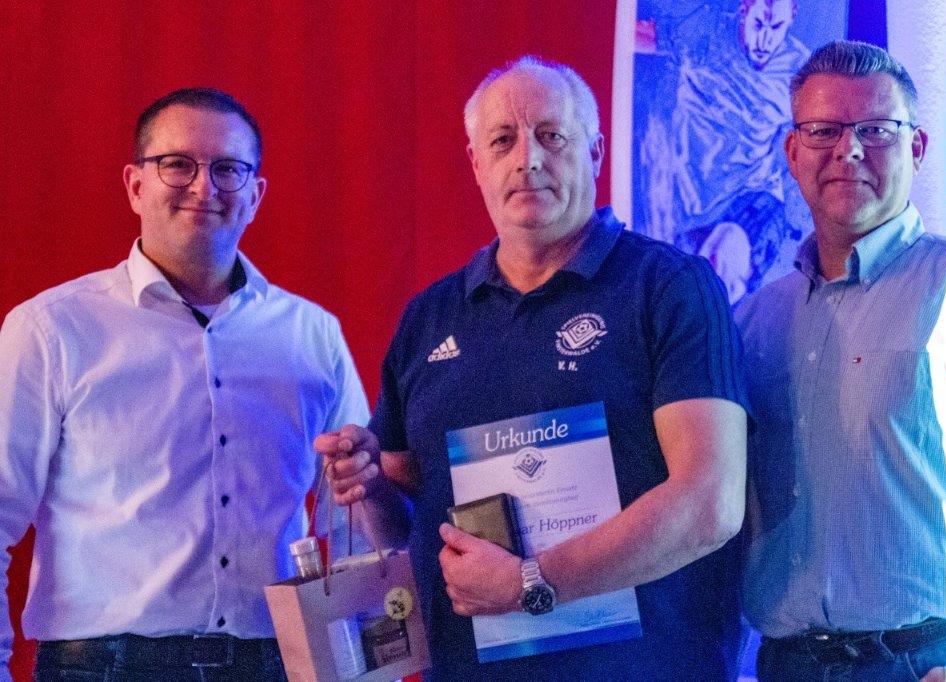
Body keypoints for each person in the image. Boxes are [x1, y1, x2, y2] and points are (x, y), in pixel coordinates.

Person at [316, 56, 749, 680]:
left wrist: (530, 581)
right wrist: (369, 484)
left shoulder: (671, 288)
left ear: (595, 152)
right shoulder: (428, 319)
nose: (528, 160)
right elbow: (408, 528)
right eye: (503, 141)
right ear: (476, 163)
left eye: (552, 136)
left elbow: (709, 503)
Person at [0, 88, 369, 681]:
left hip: (272, 662)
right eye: (177, 164)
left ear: (255, 195)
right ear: (135, 185)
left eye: (227, 169)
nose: (204, 187)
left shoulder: (312, 335)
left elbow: (355, 524)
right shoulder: (52, 329)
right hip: (103, 667)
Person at [737, 40, 946, 681]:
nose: (849, 150)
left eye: (876, 129)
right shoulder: (753, 322)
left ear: (916, 147)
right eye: (824, 130)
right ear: (792, 152)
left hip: (937, 661)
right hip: (788, 664)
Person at [637, 0, 808, 294]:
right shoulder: (706, 31)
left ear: (792, 17)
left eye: (776, 27)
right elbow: (631, 39)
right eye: (758, 24)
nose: (764, 40)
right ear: (744, 9)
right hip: (689, 200)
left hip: (749, 199)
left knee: (719, 274)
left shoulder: (802, 72)